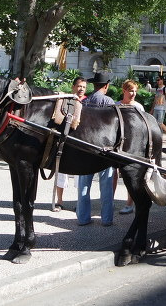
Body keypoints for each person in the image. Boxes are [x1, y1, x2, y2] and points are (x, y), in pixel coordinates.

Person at [77, 71, 117, 227]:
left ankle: (83, 218)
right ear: (106, 86)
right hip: (104, 148)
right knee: (106, 186)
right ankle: (106, 219)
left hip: (85, 147)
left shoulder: (85, 102)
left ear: (94, 85)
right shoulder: (109, 101)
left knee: (84, 185)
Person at [53, 76, 88, 211]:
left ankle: (79, 203)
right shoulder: (67, 100)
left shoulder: (87, 102)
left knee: (81, 176)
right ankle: (59, 201)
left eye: (83, 87)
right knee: (61, 172)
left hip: (81, 142)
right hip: (65, 140)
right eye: (79, 86)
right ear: (73, 87)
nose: (81, 89)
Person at [114, 79, 145, 215]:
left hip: (133, 144)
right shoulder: (116, 105)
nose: (133, 94)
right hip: (117, 144)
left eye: (135, 91)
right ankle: (110, 201)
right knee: (113, 173)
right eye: (131, 91)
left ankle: (129, 203)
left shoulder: (138, 107)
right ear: (124, 91)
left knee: (130, 174)